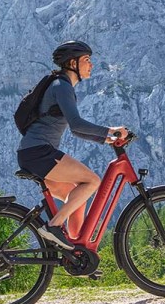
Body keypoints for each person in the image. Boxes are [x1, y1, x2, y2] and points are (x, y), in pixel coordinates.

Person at [16, 41, 129, 250]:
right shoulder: (62, 86)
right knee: (92, 181)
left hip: (32, 153)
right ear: (72, 63)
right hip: (39, 152)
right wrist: (110, 130)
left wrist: (106, 139)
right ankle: (54, 226)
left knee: (76, 196)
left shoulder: (62, 86)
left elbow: (75, 130)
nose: (91, 65)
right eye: (86, 60)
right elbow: (77, 123)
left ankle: (77, 251)